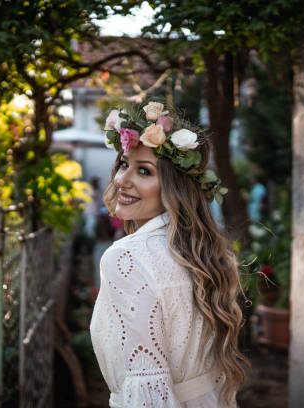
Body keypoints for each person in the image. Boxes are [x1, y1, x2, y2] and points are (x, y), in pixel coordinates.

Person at [89, 101, 248, 407]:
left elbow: (150, 390)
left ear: (175, 187)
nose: (123, 180)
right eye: (124, 164)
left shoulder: (126, 258)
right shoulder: (207, 253)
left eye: (144, 171)